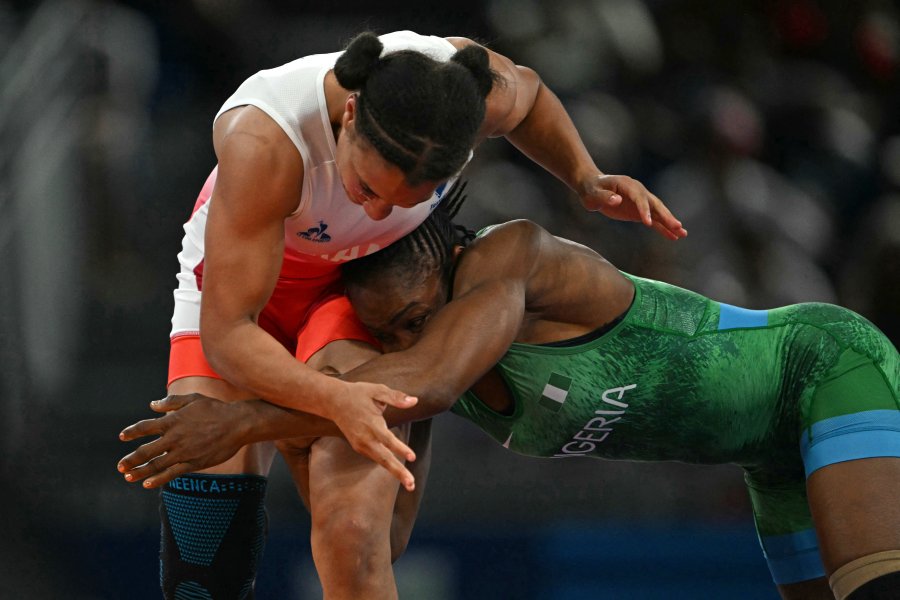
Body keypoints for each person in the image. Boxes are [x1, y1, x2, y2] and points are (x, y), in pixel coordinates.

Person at [131, 29, 686, 600]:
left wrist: (584, 177)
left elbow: (532, 94)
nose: (373, 209)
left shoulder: (461, 89)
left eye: (403, 201)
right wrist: (333, 398)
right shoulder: (266, 137)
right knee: (203, 563)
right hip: (240, 300)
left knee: (354, 528)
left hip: (351, 293)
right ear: (349, 116)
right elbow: (229, 334)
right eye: (367, 186)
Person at [120, 196, 900, 600]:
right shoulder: (415, 369)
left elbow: (428, 378)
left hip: (819, 368)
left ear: (453, 261)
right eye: (387, 333)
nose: (401, 342)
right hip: (761, 450)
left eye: (418, 319)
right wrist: (299, 444)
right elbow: (379, 537)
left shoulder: (513, 260)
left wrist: (245, 419)